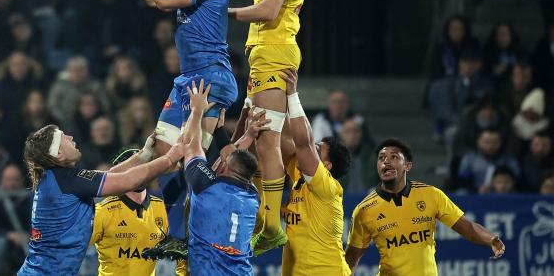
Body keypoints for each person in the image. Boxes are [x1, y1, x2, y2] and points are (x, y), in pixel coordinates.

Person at [227, 0, 309, 253]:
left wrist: (223, 12)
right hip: (277, 53)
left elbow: (268, 10)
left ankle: (272, 225)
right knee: (271, 138)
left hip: (272, 53)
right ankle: (275, 212)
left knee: (266, 140)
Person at [123, 0, 237, 162]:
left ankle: (211, 197)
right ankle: (176, 200)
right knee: (163, 153)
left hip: (210, 76)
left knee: (190, 156)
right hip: (188, 78)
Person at [17, 124, 183, 275]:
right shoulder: (66, 180)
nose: (70, 137)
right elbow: (128, 181)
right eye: (63, 137)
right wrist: (170, 157)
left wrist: (144, 155)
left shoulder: (58, 179)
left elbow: (109, 176)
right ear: (59, 155)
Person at [345, 139, 506, 275]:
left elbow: (468, 228)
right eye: (381, 158)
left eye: (394, 157)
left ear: (407, 166)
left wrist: (490, 238)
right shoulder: (365, 209)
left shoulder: (431, 195)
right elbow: (352, 258)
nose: (386, 161)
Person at [277, 69, 352, 274]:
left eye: (318, 149)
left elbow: (302, 143)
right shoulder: (299, 176)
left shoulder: (327, 187)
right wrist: (274, 93)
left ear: (327, 166)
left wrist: (292, 95)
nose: (311, 149)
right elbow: (284, 139)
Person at [182, 79, 260, 275]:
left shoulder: (206, 184)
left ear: (224, 166)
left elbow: (191, 145)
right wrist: (221, 131)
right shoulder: (252, 196)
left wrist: (197, 110)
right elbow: (233, 159)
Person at [90, 148, 169, 276]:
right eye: (134, 169)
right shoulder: (103, 211)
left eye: (143, 168)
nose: (139, 174)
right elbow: (73, 249)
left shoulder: (163, 209)